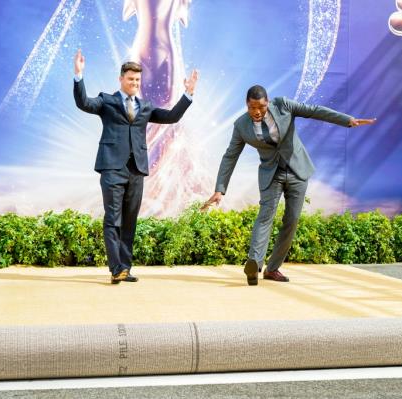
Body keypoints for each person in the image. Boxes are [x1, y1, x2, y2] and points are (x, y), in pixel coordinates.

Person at [203, 85, 376, 285]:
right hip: (271, 173)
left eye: (261, 107)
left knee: (292, 220)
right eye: (252, 108)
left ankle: (273, 269)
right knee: (265, 215)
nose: (257, 112)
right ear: (247, 105)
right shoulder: (241, 125)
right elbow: (230, 156)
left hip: (296, 169)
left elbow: (314, 111)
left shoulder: (283, 105)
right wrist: (219, 189)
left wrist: (346, 120)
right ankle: (254, 263)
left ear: (268, 103)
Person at [73, 49, 198, 284]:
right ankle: (115, 268)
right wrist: (79, 76)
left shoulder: (146, 106)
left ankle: (125, 268)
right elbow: (84, 103)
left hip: (136, 170)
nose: (134, 83)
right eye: (130, 79)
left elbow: (171, 116)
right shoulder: (107, 101)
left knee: (130, 220)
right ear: (121, 79)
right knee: (113, 219)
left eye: (138, 80)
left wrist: (188, 94)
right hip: (112, 168)